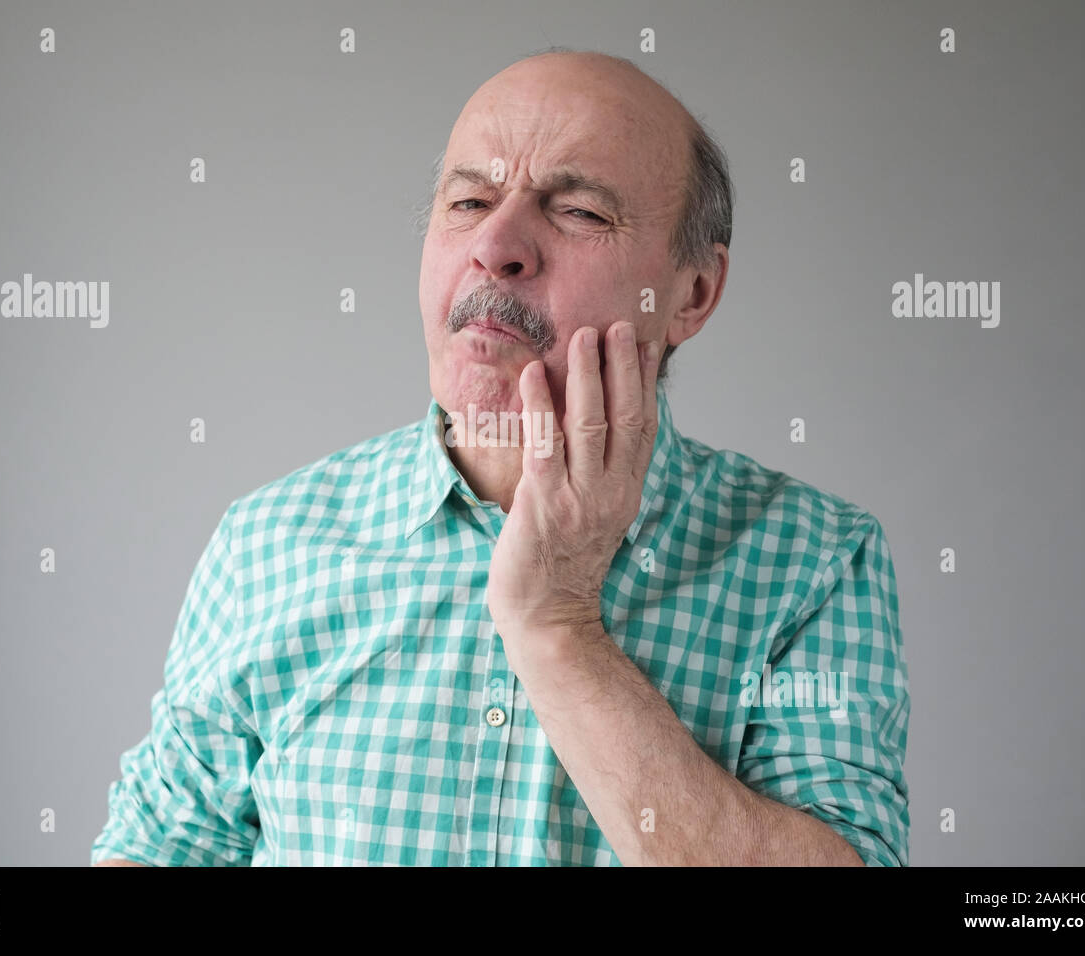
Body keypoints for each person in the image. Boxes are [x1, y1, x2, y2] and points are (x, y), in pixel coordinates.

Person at [92, 48, 910, 867]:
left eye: (580, 212)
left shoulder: (814, 560)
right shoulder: (264, 543)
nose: (496, 244)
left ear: (691, 292)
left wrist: (557, 628)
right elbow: (154, 848)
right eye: (469, 200)